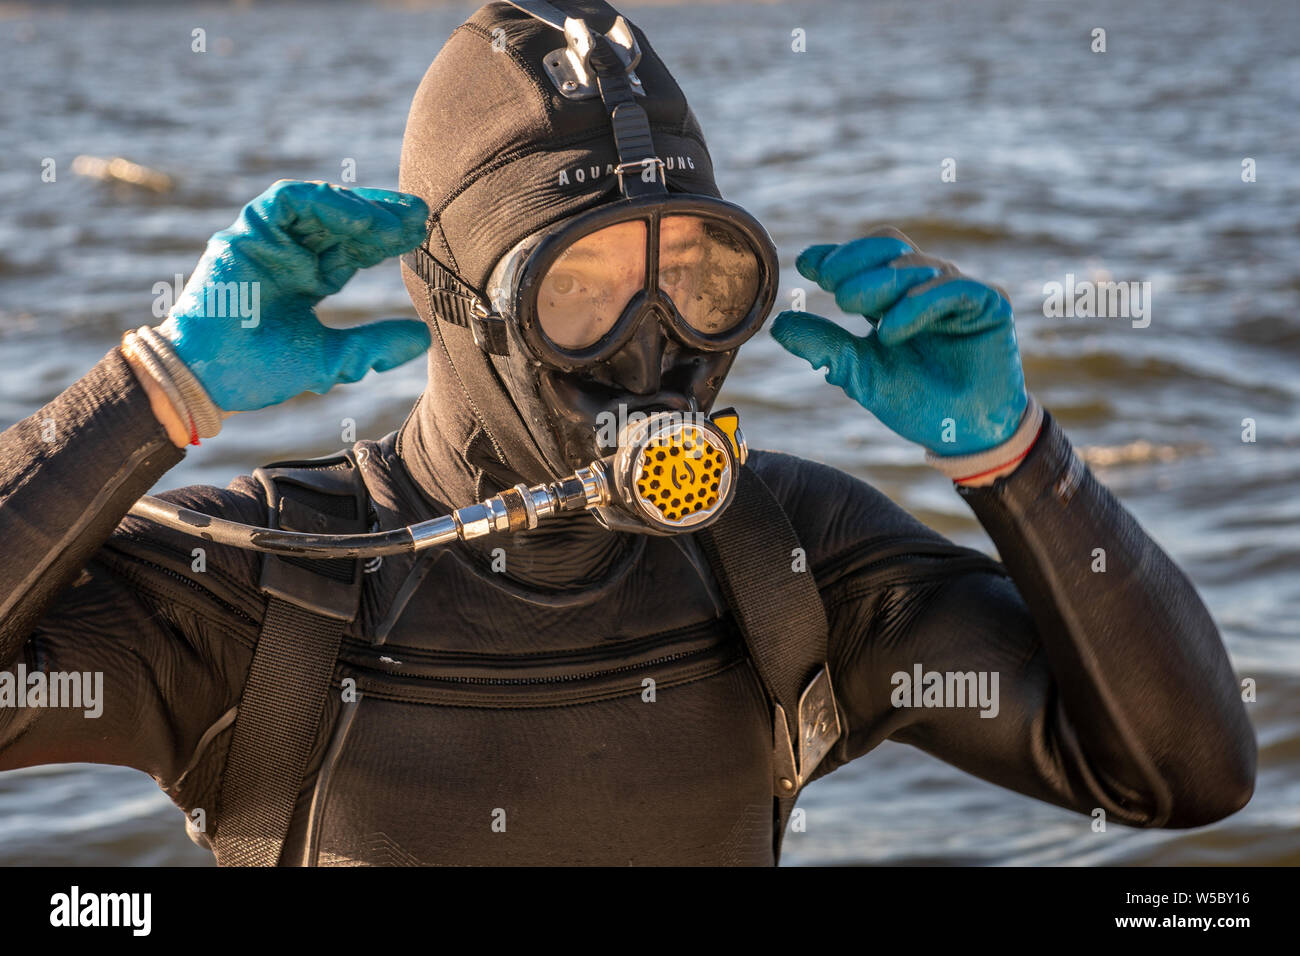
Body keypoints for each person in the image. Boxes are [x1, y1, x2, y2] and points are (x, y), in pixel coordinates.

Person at [0, 0, 1254, 867]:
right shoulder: (276, 586)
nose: (657, 342)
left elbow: (1175, 775)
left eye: (704, 277)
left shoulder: (784, 564)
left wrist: (1015, 455)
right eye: (583, 286)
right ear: (460, 304)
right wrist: (154, 389)